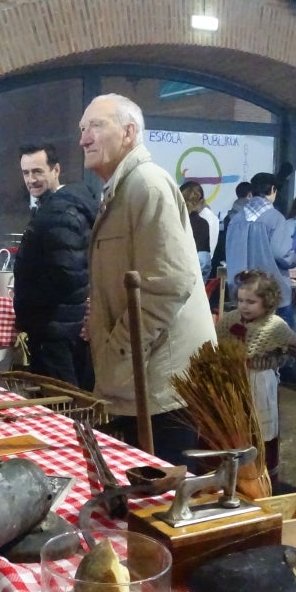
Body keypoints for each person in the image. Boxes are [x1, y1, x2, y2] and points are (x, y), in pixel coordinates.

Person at [78, 93, 217, 465]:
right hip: (143, 376)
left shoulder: (147, 185)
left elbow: (168, 282)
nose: (84, 138)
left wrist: (121, 352)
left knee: (159, 496)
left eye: (95, 125)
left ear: (129, 132)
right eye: (82, 129)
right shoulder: (122, 190)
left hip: (160, 380)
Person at [215, 270, 296, 485]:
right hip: (232, 381)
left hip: (260, 381)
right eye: (240, 300)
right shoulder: (229, 320)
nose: (244, 306)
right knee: (234, 427)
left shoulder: (275, 325)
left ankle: (260, 476)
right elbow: (214, 342)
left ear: (267, 302)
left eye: (251, 301)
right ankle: (233, 476)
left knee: (260, 428)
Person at [13, 143, 98, 389]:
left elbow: (67, 273)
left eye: (38, 171)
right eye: (26, 173)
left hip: (55, 327)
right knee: (74, 400)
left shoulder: (58, 210)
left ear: (56, 169)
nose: (31, 179)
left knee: (63, 404)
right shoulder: (63, 206)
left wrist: (29, 296)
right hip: (66, 323)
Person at [225, 171, 296, 326]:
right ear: (273, 190)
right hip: (270, 292)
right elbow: (281, 254)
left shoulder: (236, 219)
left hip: (242, 292)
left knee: (245, 340)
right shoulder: (275, 218)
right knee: (281, 342)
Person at [180, 181, 212, 280]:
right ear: (201, 201)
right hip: (194, 281)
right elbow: (204, 262)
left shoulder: (170, 220)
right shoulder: (202, 224)